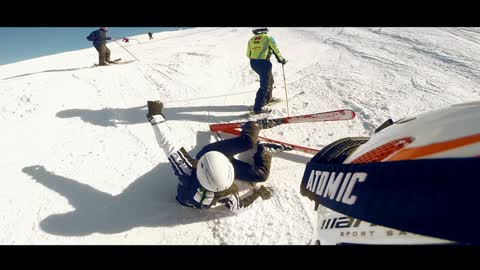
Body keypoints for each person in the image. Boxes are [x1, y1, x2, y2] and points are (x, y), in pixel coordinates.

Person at [146, 100, 292, 211]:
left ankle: (253, 126)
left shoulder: (187, 169)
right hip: (214, 159)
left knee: (247, 145)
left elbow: (168, 144)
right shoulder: (225, 191)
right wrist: (257, 194)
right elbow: (238, 206)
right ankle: (261, 143)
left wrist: (155, 116)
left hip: (210, 155)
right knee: (260, 173)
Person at [246, 27, 287, 114]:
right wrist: (281, 60)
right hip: (264, 63)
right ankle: (258, 108)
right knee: (265, 86)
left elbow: (248, 54)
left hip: (253, 63)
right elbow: (276, 50)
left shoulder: (251, 40)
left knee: (270, 81)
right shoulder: (268, 38)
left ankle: (267, 99)